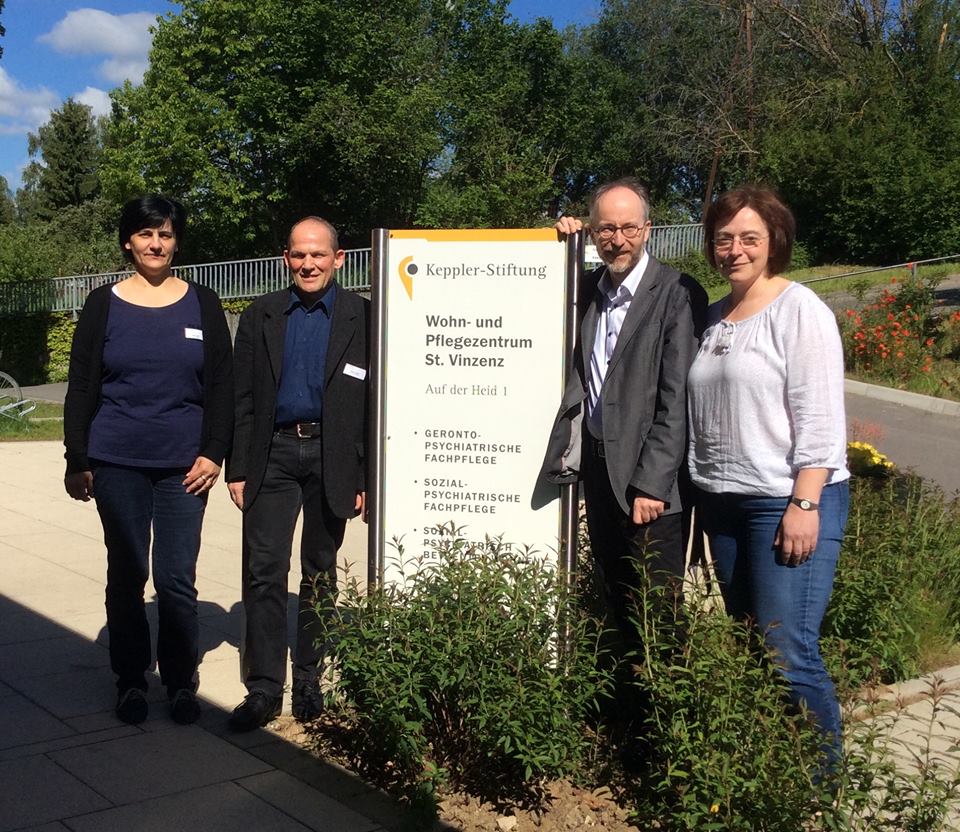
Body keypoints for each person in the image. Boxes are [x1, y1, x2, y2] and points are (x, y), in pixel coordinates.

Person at [687, 185, 850, 766]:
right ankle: (770, 769)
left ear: (773, 241)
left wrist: (805, 505)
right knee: (751, 642)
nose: (735, 249)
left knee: (788, 649)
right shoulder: (712, 317)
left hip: (785, 502)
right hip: (724, 505)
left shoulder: (798, 308)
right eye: (724, 238)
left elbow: (821, 417)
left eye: (749, 237)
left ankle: (821, 789)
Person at [63, 195, 234, 726]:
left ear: (176, 241)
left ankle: (181, 682)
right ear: (128, 242)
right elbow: (83, 386)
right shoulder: (102, 304)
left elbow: (222, 387)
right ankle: (132, 680)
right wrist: (78, 458)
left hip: (186, 467)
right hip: (117, 461)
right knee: (128, 573)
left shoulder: (203, 303)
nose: (156, 243)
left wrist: (214, 452)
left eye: (165, 234)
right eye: (145, 234)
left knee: (177, 578)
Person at [541, 177, 707, 641]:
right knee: (616, 595)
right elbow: (540, 290)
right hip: (598, 470)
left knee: (659, 607)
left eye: (629, 228)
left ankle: (666, 706)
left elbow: (677, 399)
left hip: (650, 485)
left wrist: (653, 484)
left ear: (648, 229)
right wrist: (563, 242)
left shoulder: (677, 293)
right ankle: (627, 708)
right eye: (605, 229)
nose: (618, 240)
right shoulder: (590, 289)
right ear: (593, 233)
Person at [226, 216, 368, 731]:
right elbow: (242, 399)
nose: (308, 263)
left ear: (339, 258)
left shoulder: (365, 318)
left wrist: (365, 477)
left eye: (318, 254)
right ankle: (263, 686)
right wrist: (238, 467)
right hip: (274, 456)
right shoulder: (260, 314)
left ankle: (308, 675)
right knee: (263, 572)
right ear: (286, 259)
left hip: (334, 458)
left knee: (320, 570)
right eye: (298, 255)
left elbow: (376, 406)